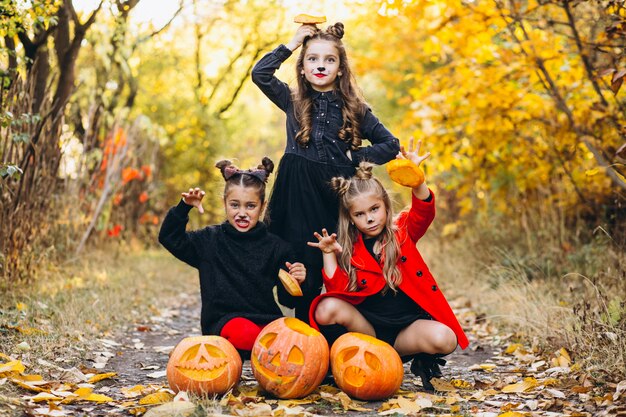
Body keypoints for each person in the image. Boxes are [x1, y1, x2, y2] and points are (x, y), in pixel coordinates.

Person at [251, 21, 400, 322]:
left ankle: (340, 330)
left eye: (329, 60)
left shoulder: (354, 107)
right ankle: (303, 338)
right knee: (298, 261)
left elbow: (390, 144)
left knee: (333, 261)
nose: (321, 66)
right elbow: (260, 74)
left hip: (334, 194)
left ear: (341, 68)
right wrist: (292, 44)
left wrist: (356, 157)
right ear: (302, 68)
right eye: (313, 59)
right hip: (295, 195)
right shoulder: (293, 100)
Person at [306, 139, 469, 391]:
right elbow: (337, 288)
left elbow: (423, 213)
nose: (369, 218)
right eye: (359, 214)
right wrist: (328, 254)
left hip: (405, 331)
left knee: (445, 339)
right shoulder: (350, 248)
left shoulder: (402, 231)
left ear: (385, 205)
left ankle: (415, 359)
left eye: (374, 209)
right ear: (350, 219)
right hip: (368, 331)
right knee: (325, 308)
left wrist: (417, 181)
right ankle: (340, 357)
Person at [158, 157, 306, 359]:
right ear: (225, 204)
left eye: (250, 206)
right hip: (226, 322)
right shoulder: (210, 241)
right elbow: (169, 238)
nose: (242, 213)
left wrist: (298, 280)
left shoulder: (276, 247)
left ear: (262, 207)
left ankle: (275, 354)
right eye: (235, 205)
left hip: (266, 320)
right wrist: (184, 207)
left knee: (295, 336)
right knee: (244, 333)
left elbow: (287, 300)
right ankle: (273, 353)